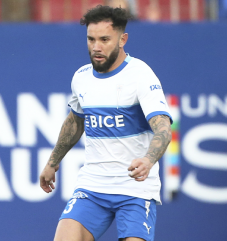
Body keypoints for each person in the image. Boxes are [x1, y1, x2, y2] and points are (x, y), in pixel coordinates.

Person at [39, 5, 172, 241]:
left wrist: (149, 160)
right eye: (91, 39)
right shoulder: (81, 77)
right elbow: (75, 122)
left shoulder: (140, 75)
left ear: (123, 39)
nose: (96, 47)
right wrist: (52, 162)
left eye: (104, 39)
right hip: (93, 186)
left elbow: (162, 127)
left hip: (135, 190)